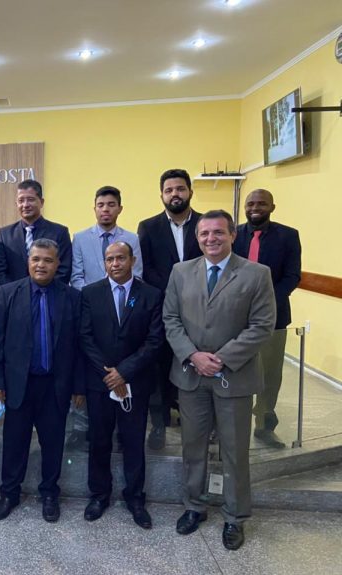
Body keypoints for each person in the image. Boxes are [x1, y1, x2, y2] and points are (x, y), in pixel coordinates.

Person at [164, 210, 276, 551]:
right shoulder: (181, 272)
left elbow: (262, 325)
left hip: (234, 377)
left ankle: (235, 516)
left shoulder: (256, 273)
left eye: (218, 232)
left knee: (234, 450)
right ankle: (194, 506)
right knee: (193, 446)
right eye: (204, 234)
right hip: (191, 375)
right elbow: (170, 318)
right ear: (197, 238)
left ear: (232, 235)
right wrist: (193, 355)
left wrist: (221, 359)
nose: (210, 238)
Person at [0, 239, 85, 523]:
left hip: (55, 385)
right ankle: (9, 494)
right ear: (28, 262)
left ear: (58, 264)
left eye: (48, 260)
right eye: (36, 259)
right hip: (18, 384)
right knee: (14, 442)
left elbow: (79, 345)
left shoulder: (71, 297)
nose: (41, 265)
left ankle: (50, 494)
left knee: (53, 443)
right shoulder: (7, 293)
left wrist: (78, 386)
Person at [79, 242, 163, 529]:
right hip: (100, 382)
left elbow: (154, 341)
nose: (115, 264)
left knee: (133, 441)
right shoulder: (90, 293)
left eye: (120, 258)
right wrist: (109, 375)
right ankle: (99, 495)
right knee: (99, 440)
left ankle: (135, 498)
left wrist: (124, 372)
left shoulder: (151, 295)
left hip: (135, 382)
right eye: (109, 259)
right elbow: (85, 337)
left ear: (132, 260)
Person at [68, 185, 143, 450]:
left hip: (124, 310)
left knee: (121, 361)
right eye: (101, 205)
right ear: (95, 208)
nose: (105, 209)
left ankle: (122, 428)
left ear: (119, 208)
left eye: (111, 204)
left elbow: (137, 275)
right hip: (89, 309)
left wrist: (116, 299)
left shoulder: (131, 238)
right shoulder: (80, 238)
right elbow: (76, 276)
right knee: (88, 366)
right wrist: (98, 298)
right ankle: (81, 426)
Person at [137, 168, 202, 450]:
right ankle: (159, 423)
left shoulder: (204, 224)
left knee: (195, 363)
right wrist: (173, 292)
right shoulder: (148, 227)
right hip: (162, 308)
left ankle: (197, 422)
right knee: (160, 366)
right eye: (169, 190)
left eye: (180, 189)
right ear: (162, 195)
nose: (175, 194)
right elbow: (146, 267)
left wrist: (190, 293)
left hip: (200, 309)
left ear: (190, 191)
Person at [233, 189, 301, 449]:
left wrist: (265, 302)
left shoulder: (288, 236)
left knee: (269, 373)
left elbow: (292, 276)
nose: (255, 208)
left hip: (274, 317)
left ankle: (264, 425)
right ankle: (228, 424)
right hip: (233, 316)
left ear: (272, 207)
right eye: (250, 203)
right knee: (232, 368)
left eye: (261, 203)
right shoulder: (232, 234)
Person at [0, 179, 72, 287]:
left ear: (41, 202)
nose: (25, 205)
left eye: (30, 199)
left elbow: (64, 270)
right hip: (14, 294)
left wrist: (42, 291)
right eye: (21, 200)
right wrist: (15, 292)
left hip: (50, 294)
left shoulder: (59, 232)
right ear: (16, 204)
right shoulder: (5, 234)